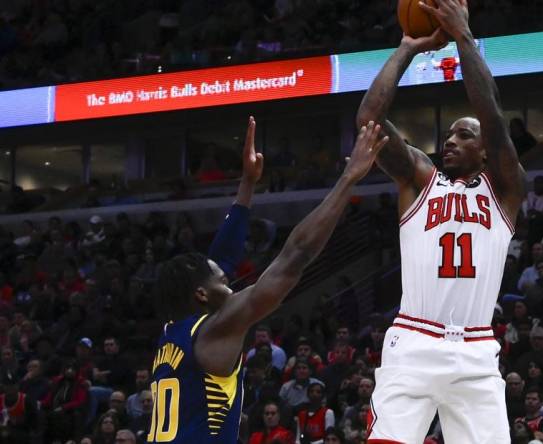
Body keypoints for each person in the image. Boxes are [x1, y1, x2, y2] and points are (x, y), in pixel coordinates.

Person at [148, 118, 389, 443]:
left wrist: (247, 185)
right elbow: (296, 255)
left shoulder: (172, 336)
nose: (230, 283)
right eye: (224, 281)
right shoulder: (216, 329)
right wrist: (349, 179)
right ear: (202, 294)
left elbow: (223, 258)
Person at [356, 0, 526, 442]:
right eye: (448, 134)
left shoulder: (505, 190)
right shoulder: (419, 180)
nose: (449, 141)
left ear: (487, 149)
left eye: (463, 135)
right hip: (414, 341)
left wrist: (464, 37)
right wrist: (407, 48)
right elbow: (369, 121)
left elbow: (491, 113)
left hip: (475, 350)